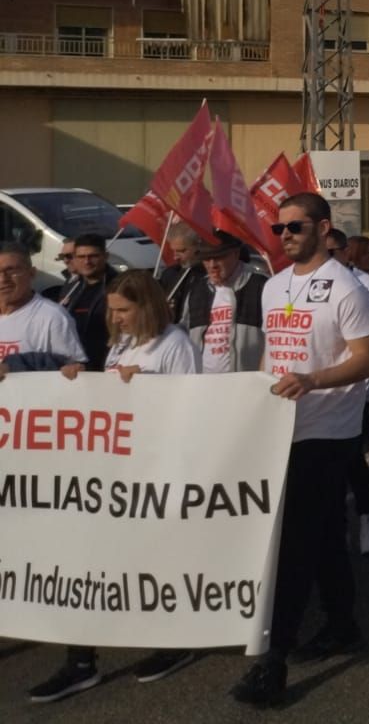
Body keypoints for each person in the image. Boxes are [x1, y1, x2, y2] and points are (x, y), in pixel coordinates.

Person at [231, 192, 369, 707]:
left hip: (328, 430)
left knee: (294, 540)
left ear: (322, 227)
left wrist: (313, 379)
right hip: (281, 428)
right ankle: (343, 623)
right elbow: (274, 355)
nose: (285, 236)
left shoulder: (348, 287)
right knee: (320, 536)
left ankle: (273, 661)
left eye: (294, 227)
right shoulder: (274, 287)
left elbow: (368, 358)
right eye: (279, 229)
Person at [29, 272, 200, 703]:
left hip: (157, 472)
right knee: (88, 563)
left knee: (155, 564)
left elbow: (195, 407)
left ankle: (175, 641)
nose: (116, 317)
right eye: (113, 310)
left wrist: (146, 387)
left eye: (124, 310)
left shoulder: (175, 344)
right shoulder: (121, 343)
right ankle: (80, 661)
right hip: (113, 472)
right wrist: (77, 378)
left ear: (147, 306)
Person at [326, 228, 369, 557]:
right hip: (317, 393)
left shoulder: (364, 286)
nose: (328, 255)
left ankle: (367, 512)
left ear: (345, 252)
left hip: (351, 385)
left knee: (352, 457)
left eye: (334, 250)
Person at [0, 242, 88, 371]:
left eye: (12, 270)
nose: (3, 279)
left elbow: (72, 371)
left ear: (32, 273)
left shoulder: (53, 317)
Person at [190, 231, 268, 374]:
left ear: (236, 254)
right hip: (203, 383)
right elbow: (185, 333)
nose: (212, 265)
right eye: (206, 259)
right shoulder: (197, 288)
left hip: (243, 383)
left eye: (219, 257)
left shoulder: (260, 286)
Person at [58, 232, 111, 370]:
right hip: (75, 366)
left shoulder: (119, 286)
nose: (87, 262)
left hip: (105, 364)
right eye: (81, 257)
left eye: (93, 256)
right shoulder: (71, 286)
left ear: (105, 256)